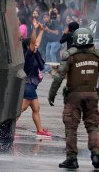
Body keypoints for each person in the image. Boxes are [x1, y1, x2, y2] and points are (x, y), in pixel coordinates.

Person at [48, 28, 99, 169]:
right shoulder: (96, 55)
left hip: (73, 97)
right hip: (92, 95)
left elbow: (59, 77)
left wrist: (51, 94)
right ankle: (96, 154)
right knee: (93, 125)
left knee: (71, 127)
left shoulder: (70, 55)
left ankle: (72, 158)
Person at [18, 19, 52, 138]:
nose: (36, 46)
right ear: (29, 47)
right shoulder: (28, 54)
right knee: (21, 109)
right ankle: (8, 127)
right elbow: (33, 42)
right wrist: (35, 29)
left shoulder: (34, 53)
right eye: (33, 45)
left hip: (32, 86)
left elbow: (36, 42)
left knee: (36, 109)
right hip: (28, 86)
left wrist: (41, 31)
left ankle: (40, 130)